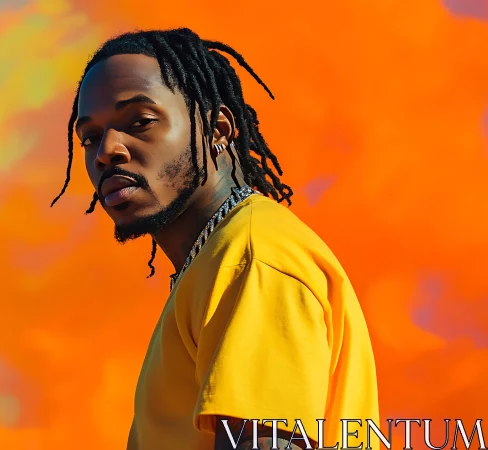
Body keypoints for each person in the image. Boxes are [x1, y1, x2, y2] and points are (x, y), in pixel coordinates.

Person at [50, 28, 380, 450]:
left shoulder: (252, 256)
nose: (106, 151)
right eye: (90, 138)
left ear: (218, 128)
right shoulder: (214, 260)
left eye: (140, 122)